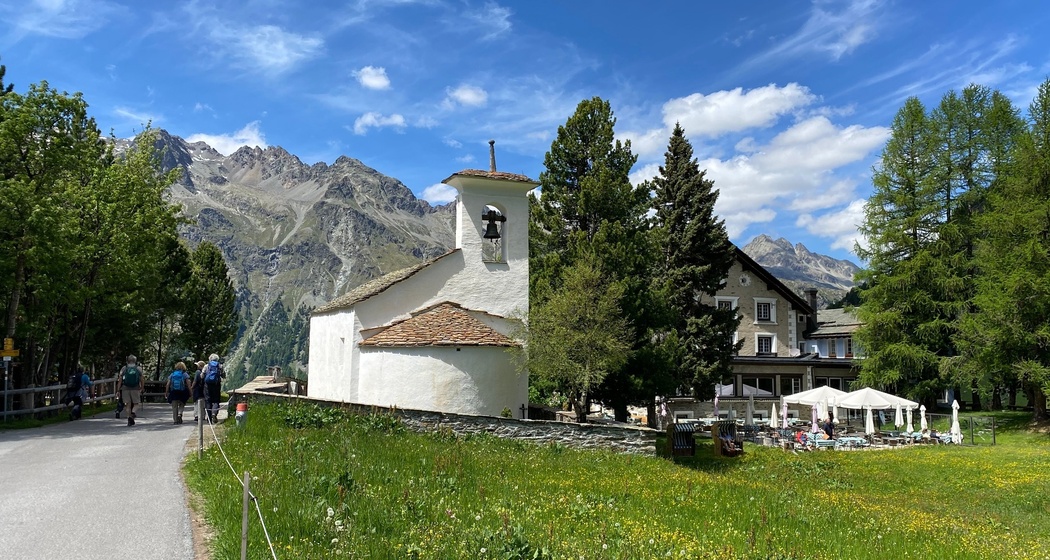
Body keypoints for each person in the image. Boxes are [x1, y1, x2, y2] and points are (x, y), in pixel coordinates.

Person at [117, 355, 143, 426]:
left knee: (127, 405)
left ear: (127, 361)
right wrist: (142, 387)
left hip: (125, 388)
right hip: (135, 388)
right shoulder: (138, 368)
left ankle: (129, 419)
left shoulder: (124, 368)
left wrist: (118, 390)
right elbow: (142, 379)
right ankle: (133, 413)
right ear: (135, 361)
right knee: (136, 404)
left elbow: (120, 380)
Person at [202, 353, 225, 423]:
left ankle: (209, 419)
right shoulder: (220, 366)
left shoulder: (206, 366)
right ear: (217, 359)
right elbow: (223, 375)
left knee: (208, 401)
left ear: (210, 359)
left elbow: (202, 376)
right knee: (216, 400)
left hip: (207, 385)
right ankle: (214, 413)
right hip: (216, 385)